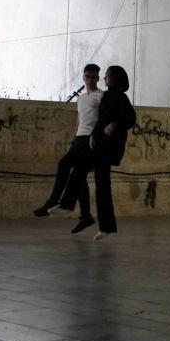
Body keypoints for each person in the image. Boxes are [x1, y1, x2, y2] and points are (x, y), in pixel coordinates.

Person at [49, 66, 136, 240]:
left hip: (108, 148)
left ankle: (67, 204)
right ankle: (106, 227)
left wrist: (115, 125)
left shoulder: (120, 96)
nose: (104, 78)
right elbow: (101, 120)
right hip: (100, 145)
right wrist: (93, 136)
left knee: (80, 167)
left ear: (114, 78)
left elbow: (131, 118)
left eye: (107, 76)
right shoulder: (107, 96)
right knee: (102, 187)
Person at [33, 63, 101, 234]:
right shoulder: (81, 98)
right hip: (79, 139)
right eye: (87, 76)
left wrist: (97, 138)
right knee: (79, 177)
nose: (90, 80)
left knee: (64, 164)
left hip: (90, 139)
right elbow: (79, 119)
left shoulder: (101, 96)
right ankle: (85, 216)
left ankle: (53, 202)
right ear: (83, 78)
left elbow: (104, 118)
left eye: (93, 77)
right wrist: (73, 138)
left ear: (98, 78)